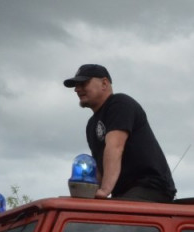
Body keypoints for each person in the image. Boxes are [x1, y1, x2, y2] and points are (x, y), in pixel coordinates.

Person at [63, 64, 176, 202]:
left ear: (104, 83)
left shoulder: (120, 104)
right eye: (76, 85)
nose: (77, 89)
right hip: (123, 192)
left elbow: (115, 147)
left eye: (83, 83)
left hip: (151, 187)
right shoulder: (91, 125)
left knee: (109, 217)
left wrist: (104, 190)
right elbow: (99, 169)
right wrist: (86, 195)